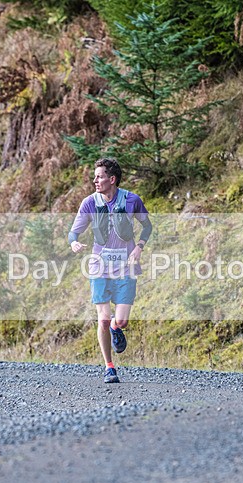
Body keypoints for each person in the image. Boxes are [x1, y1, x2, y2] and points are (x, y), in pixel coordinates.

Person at [68, 158, 152, 383]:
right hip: (99, 267)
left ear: (112, 179)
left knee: (121, 322)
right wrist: (74, 242)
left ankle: (116, 326)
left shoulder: (132, 200)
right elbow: (73, 233)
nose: (95, 181)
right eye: (95, 177)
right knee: (103, 319)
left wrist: (139, 247)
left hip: (126, 267)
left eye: (99, 177)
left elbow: (147, 226)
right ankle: (109, 367)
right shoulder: (89, 203)